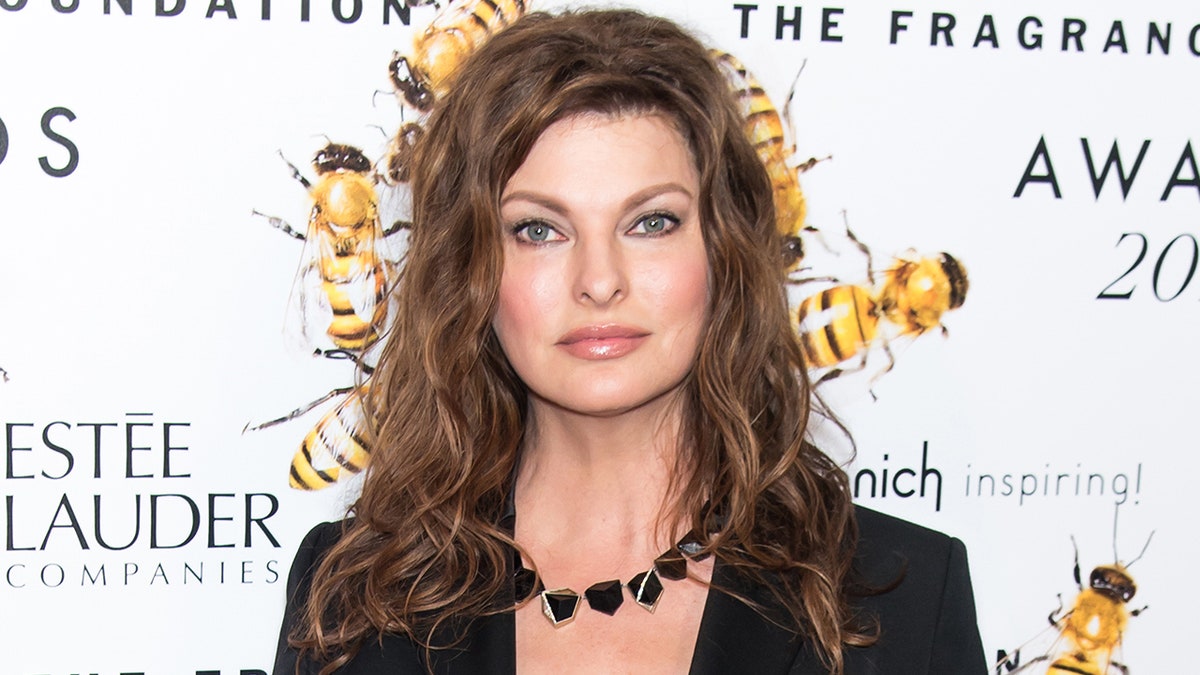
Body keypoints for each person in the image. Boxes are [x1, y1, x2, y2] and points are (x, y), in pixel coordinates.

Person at [273, 9, 986, 675]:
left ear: (725, 250)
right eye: (538, 230)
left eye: (650, 222)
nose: (599, 280)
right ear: (471, 271)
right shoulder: (356, 600)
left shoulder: (905, 596)